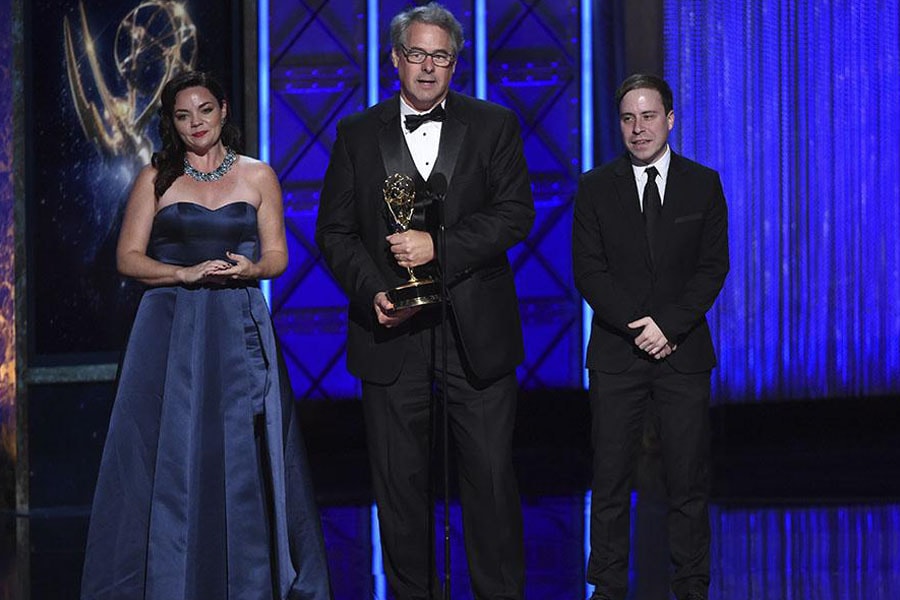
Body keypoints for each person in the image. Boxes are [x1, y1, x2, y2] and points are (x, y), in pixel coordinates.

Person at [81, 71, 332, 600]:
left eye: (204, 111)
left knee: (243, 447)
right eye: (182, 115)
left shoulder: (258, 174)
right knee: (165, 450)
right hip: (168, 326)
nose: (196, 123)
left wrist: (250, 269)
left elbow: (278, 256)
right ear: (171, 123)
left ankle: (245, 578)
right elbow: (127, 257)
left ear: (222, 110)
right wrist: (182, 274)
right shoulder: (156, 177)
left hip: (238, 320)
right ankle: (171, 578)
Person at [315, 3, 533, 598]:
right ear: (395, 59)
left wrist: (437, 246)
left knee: (489, 480)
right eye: (417, 53)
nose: (429, 66)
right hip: (391, 332)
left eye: (441, 55)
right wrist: (373, 289)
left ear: (456, 63)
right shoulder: (357, 134)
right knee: (399, 486)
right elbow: (333, 232)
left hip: (475, 329)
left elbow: (516, 215)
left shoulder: (494, 125)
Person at [573, 73, 729, 600]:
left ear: (670, 118)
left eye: (648, 116)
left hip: (682, 354)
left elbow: (713, 268)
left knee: (688, 478)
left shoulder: (702, 184)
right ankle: (608, 585)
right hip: (618, 353)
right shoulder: (595, 187)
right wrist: (642, 326)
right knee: (611, 477)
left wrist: (670, 326)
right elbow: (588, 272)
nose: (638, 128)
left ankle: (692, 584)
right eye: (627, 118)